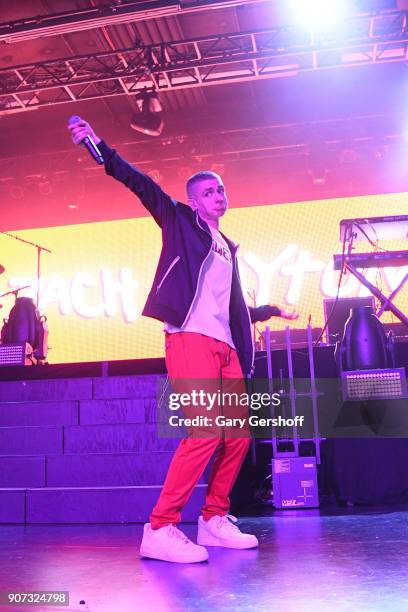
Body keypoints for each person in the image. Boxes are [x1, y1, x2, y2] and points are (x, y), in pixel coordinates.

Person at [69, 118, 297, 564]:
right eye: (210, 191)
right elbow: (138, 182)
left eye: (223, 191)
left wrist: (270, 311)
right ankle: (160, 527)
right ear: (194, 200)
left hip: (226, 347)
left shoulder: (226, 246)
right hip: (189, 338)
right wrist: (97, 146)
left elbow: (233, 312)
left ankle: (213, 519)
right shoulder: (178, 219)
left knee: (238, 437)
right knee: (205, 431)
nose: (219, 196)